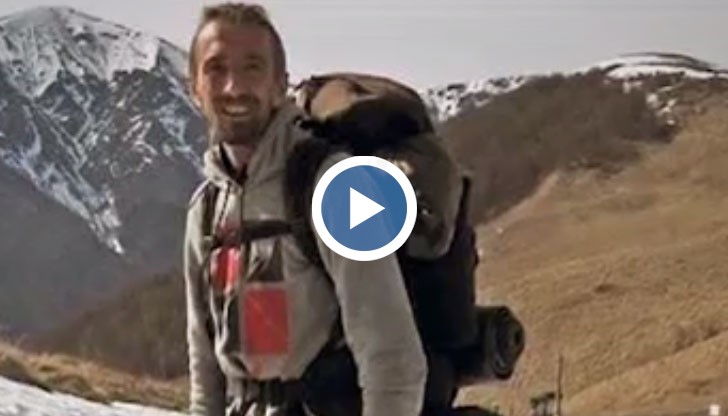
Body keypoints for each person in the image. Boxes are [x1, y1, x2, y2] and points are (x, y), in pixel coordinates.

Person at [183, 3, 427, 416]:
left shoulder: (337, 185)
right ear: (194, 88)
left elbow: (392, 356)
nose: (233, 87)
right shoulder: (204, 210)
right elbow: (205, 367)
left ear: (280, 85)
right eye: (216, 69)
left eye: (252, 67)